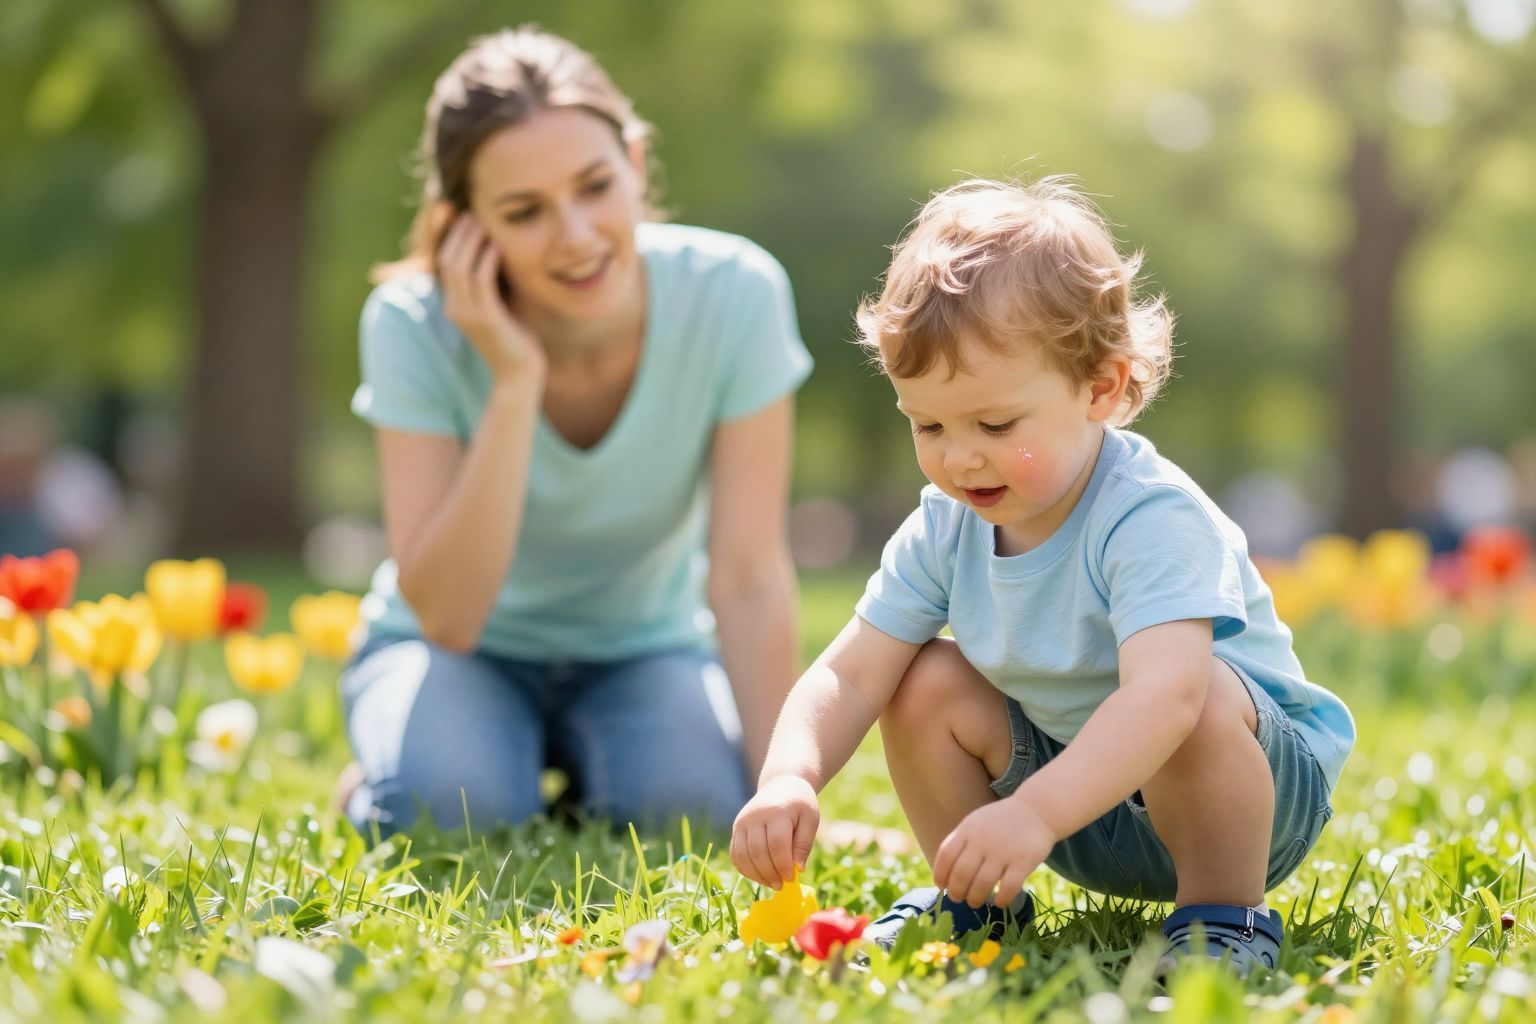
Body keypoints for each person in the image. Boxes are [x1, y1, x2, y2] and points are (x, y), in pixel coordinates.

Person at [729, 178, 1354, 975]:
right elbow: (852, 674)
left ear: (1100, 388)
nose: (961, 456)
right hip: (1070, 805)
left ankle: (1223, 920)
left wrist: (1032, 812)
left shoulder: (1150, 517)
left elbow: (1164, 701)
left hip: (1247, 800)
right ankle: (976, 903)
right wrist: (789, 776)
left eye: (995, 424)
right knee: (919, 679)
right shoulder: (945, 524)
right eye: (929, 425)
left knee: (1192, 696)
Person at [341, 27, 811, 839]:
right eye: (524, 212)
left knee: (693, 816)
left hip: (643, 650)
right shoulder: (410, 325)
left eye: (595, 186)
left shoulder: (736, 294)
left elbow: (747, 576)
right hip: (457, 653)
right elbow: (449, 616)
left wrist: (779, 787)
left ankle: (551, 770)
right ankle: (399, 770)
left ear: (633, 163)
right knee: (453, 810)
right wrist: (513, 382)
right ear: (465, 228)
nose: (577, 236)